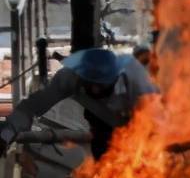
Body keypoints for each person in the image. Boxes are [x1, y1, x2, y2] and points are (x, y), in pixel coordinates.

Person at [0, 47, 157, 159]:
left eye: (101, 85)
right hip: (102, 122)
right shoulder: (70, 77)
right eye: (90, 84)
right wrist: (5, 135)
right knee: (104, 155)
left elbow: (156, 125)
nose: (95, 89)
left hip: (140, 121)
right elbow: (31, 107)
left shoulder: (140, 83)